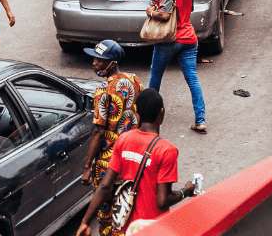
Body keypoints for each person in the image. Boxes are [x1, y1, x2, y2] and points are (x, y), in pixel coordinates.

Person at [74, 89, 194, 236]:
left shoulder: (124, 139)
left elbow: (105, 186)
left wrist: (85, 221)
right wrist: (186, 191)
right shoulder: (166, 150)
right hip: (152, 228)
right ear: (161, 113)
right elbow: (162, 201)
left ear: (137, 114)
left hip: (127, 229)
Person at [79, 38, 141, 233]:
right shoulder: (133, 80)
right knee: (128, 204)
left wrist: (88, 166)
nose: (94, 63)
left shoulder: (103, 92)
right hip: (132, 154)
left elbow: (98, 132)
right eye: (94, 59)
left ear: (112, 63)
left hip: (109, 160)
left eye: (99, 60)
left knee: (105, 210)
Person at [146, 0, 207, 133]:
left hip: (169, 39)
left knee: (155, 78)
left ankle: (148, 117)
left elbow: (164, 16)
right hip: (189, 37)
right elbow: (189, 8)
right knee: (193, 79)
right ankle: (201, 119)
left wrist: (150, 12)